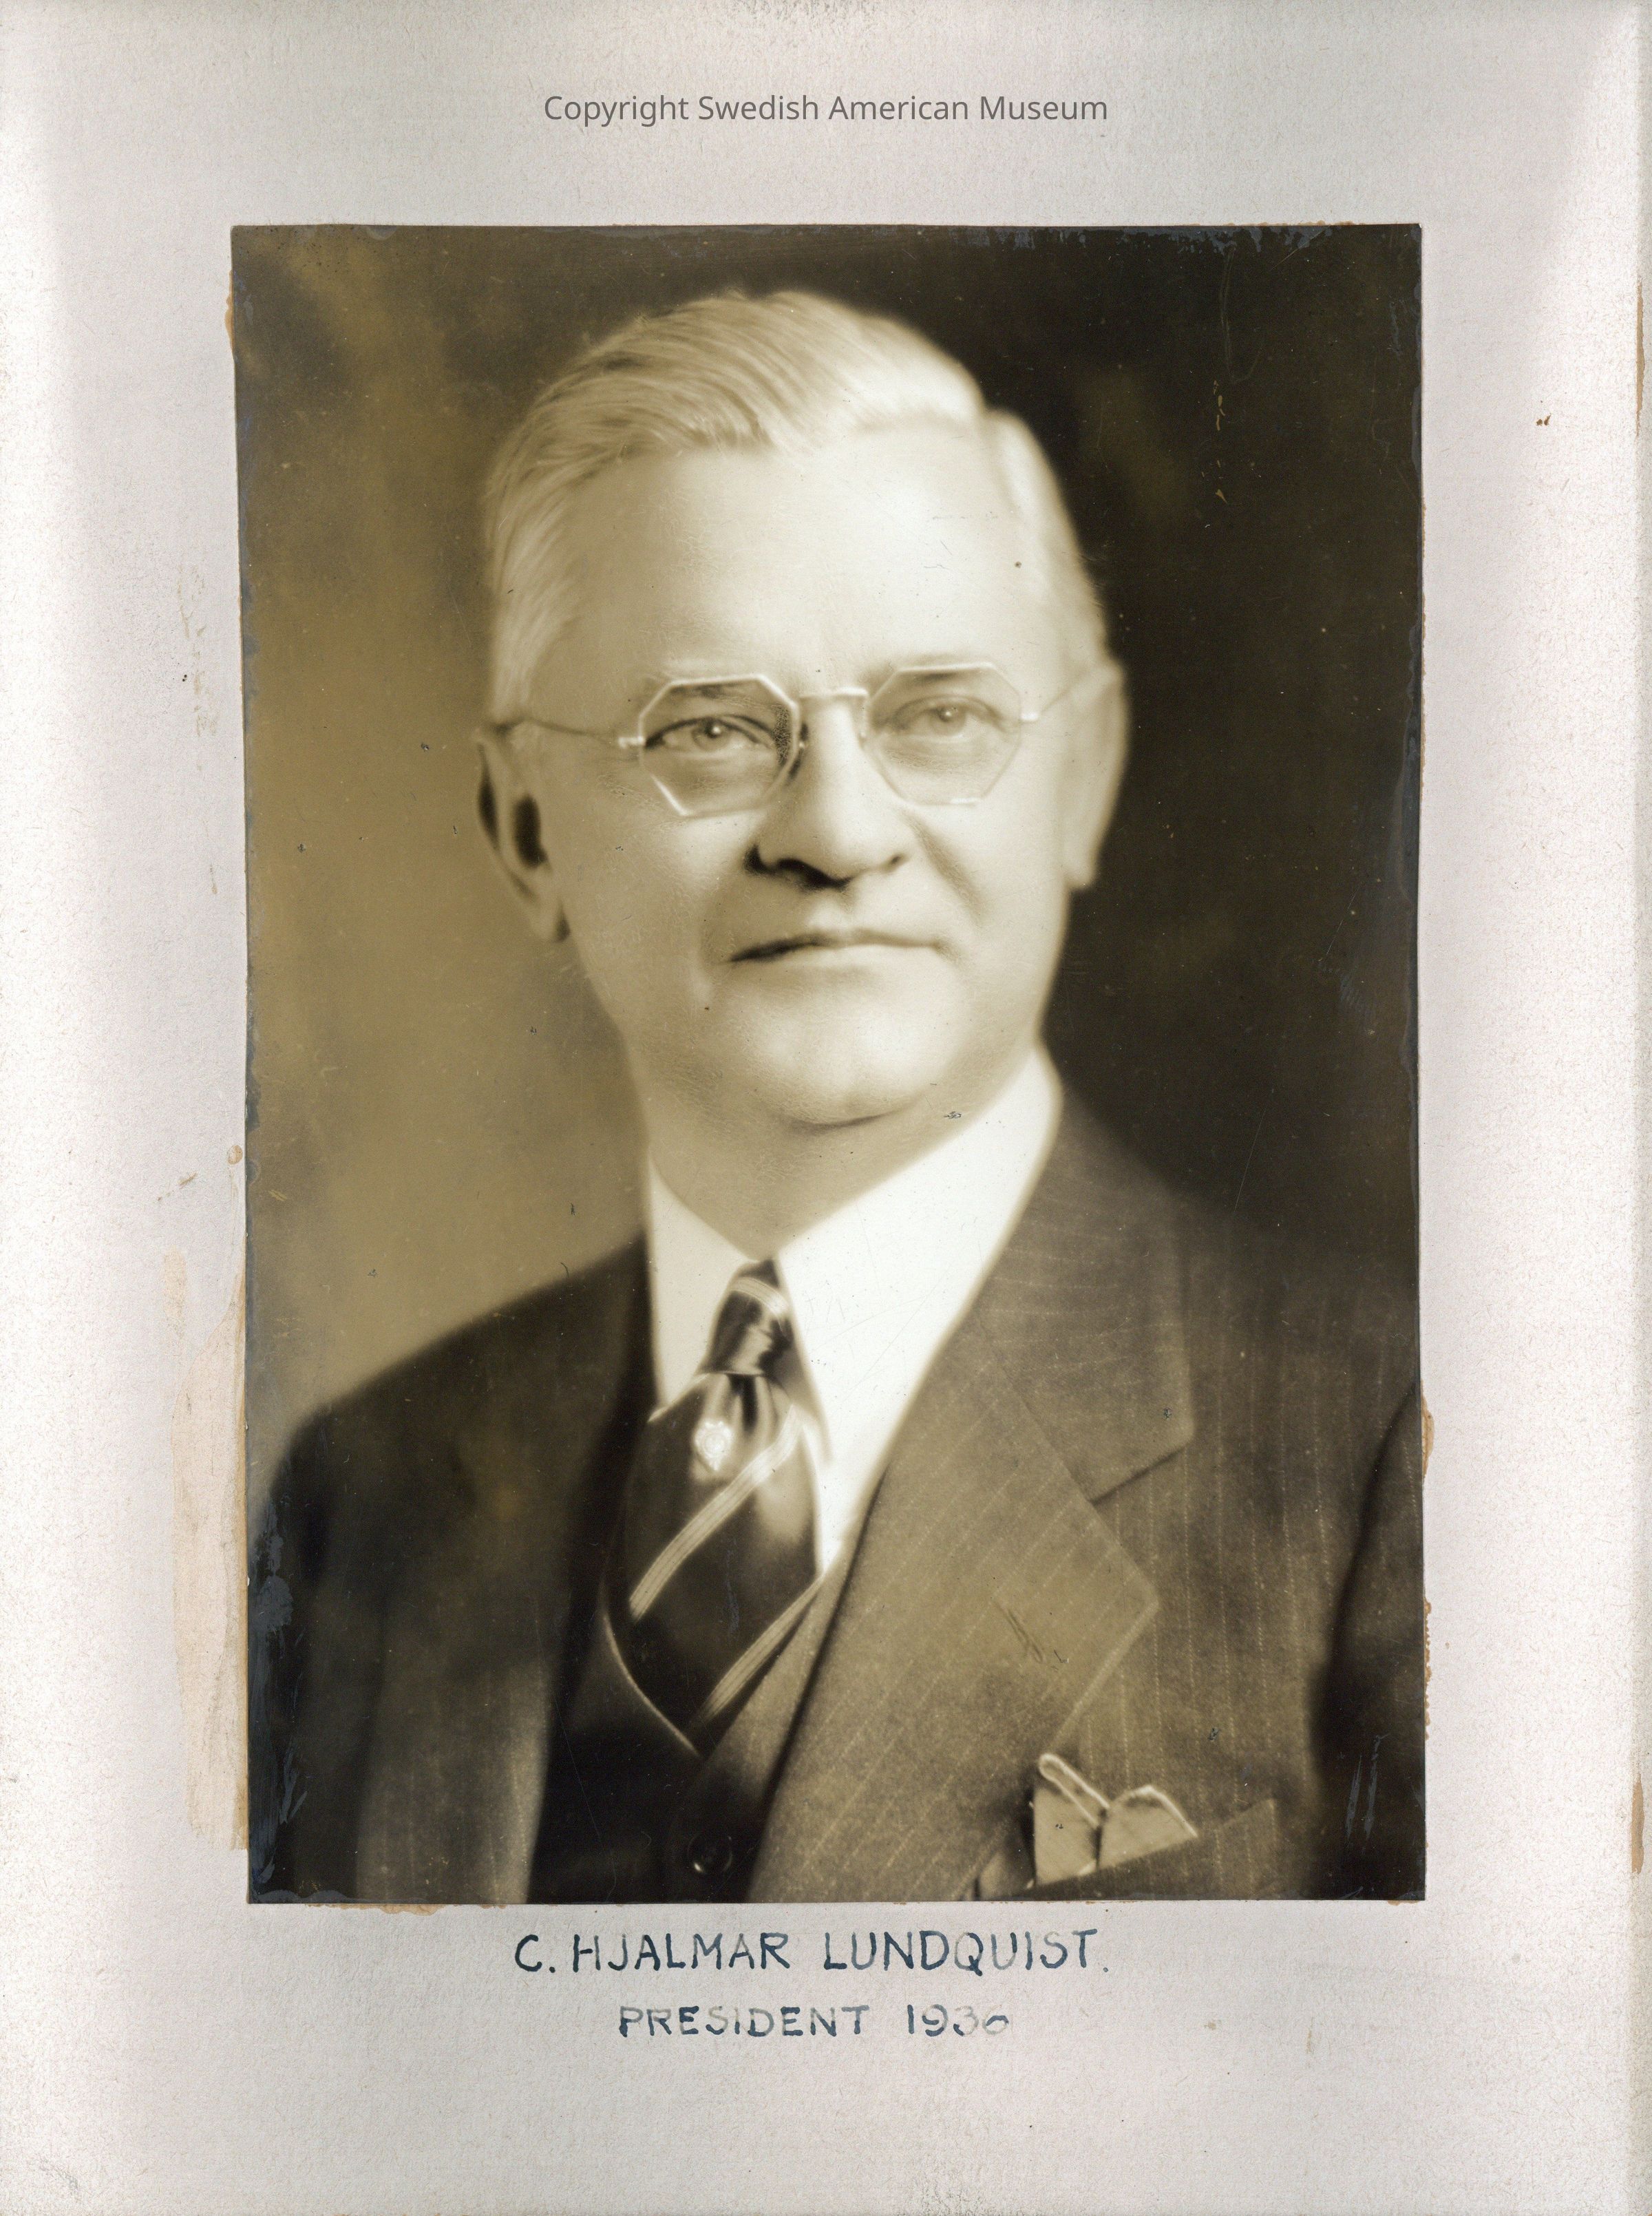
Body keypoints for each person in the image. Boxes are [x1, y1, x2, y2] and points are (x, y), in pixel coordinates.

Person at [249, 290, 1423, 1906]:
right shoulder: (364, 1489)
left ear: (1081, 779)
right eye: (710, 729)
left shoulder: (1392, 1451)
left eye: (941, 718)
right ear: (526, 833)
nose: (840, 831)